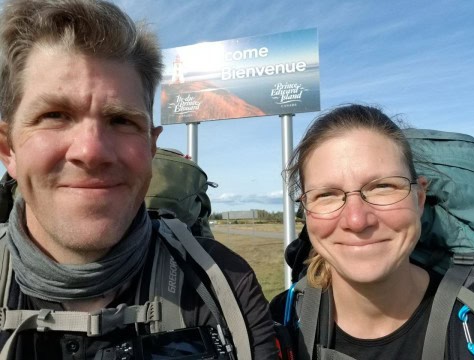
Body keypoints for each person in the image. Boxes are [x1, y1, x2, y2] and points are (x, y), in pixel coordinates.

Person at [0, 0, 277, 359]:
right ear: (9, 151)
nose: (92, 151)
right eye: (55, 115)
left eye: (120, 120)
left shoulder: (224, 284)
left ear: (151, 146)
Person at [282, 104, 474, 359]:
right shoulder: (277, 325)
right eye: (327, 195)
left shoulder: (471, 323)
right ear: (307, 211)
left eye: (383, 187)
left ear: (419, 198)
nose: (356, 220)